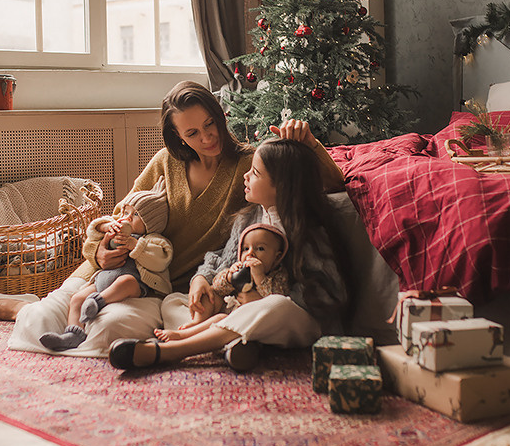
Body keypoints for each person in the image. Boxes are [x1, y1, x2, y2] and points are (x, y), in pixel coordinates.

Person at [0, 80, 344, 358]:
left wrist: (310, 143)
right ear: (178, 138)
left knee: (103, 336)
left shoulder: (249, 166)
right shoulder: (164, 164)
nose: (208, 136)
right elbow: (117, 220)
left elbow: (326, 182)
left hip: (164, 288)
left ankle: (36, 309)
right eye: (193, 132)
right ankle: (19, 307)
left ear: (219, 115)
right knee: (43, 322)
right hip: (115, 273)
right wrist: (101, 253)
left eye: (210, 123)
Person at [109, 136, 354, 372]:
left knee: (275, 306)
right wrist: (201, 280)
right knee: (175, 301)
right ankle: (238, 344)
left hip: (293, 318)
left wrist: (264, 295)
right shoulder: (247, 218)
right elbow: (222, 259)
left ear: (282, 186)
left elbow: (331, 295)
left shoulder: (308, 232)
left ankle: (173, 350)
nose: (246, 176)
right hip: (237, 308)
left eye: (255, 173)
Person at [38, 179, 173, 352]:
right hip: (102, 279)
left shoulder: (153, 240)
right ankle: (73, 333)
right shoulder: (116, 231)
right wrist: (106, 227)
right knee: (77, 298)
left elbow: (161, 259)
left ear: (151, 224)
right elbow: (92, 231)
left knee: (125, 282)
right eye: (126, 211)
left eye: (136, 215)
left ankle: (99, 301)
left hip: (135, 284)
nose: (127, 218)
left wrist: (135, 245)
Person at [154, 221, 289, 347]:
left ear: (276, 257)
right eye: (245, 248)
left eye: (260, 248)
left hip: (243, 321)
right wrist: (229, 276)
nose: (250, 253)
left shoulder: (278, 276)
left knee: (221, 318)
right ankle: (197, 324)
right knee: (210, 294)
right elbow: (218, 286)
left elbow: (276, 298)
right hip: (227, 307)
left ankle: (183, 335)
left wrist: (259, 276)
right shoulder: (239, 267)